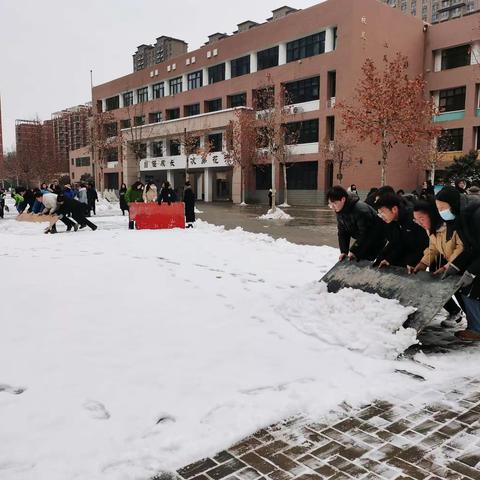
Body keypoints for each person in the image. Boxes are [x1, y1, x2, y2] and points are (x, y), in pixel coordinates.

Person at [435, 186, 480, 340]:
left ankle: (476, 330)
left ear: (453, 204)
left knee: (471, 289)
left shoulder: (476, 215)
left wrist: (472, 271)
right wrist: (455, 266)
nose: (441, 212)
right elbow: (471, 247)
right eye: (438, 208)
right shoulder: (461, 215)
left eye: (442, 208)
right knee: (467, 286)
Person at [411, 199, 465, 327]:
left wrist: (448, 266)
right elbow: (433, 247)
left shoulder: (450, 226)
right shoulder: (430, 228)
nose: (419, 223)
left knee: (463, 293)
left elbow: (461, 248)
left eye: (422, 219)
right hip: (451, 262)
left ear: (432, 215)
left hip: (463, 262)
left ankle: (474, 325)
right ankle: (457, 312)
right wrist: (424, 262)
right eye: (416, 220)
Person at [327, 185, 385, 262]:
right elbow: (342, 232)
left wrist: (354, 250)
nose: (332, 207)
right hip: (364, 240)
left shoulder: (360, 210)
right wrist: (344, 251)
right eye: (330, 204)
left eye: (334, 203)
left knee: (362, 263)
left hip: (376, 239)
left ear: (343, 199)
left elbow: (366, 233)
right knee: (354, 260)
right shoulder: (340, 210)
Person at [375, 194, 429, 270]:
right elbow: (395, 243)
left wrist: (411, 263)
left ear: (394, 209)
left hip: (417, 262)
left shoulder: (413, 218)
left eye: (382, 212)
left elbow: (423, 245)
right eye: (379, 213)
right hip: (405, 260)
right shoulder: (391, 221)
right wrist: (385, 259)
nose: (381, 216)